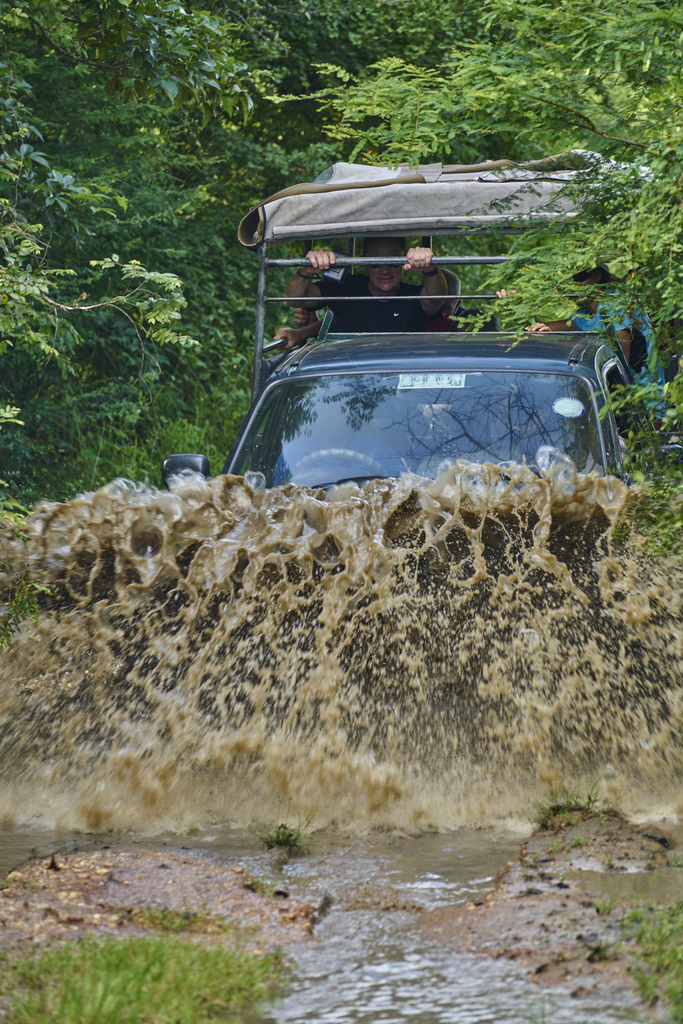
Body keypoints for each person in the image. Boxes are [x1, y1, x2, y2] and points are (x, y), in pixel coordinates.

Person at [507, 265, 664, 387]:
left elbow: (620, 362)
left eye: (578, 278)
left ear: (598, 275)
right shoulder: (584, 313)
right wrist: (517, 308)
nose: (572, 286)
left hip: (645, 400)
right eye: (566, 282)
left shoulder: (615, 302)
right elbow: (539, 329)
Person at [283, 237, 448, 335]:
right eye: (375, 263)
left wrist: (430, 268)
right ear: (364, 262)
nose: (384, 270)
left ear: (403, 261)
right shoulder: (345, 288)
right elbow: (293, 300)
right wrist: (307, 270)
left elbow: (435, 299)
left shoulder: (413, 296)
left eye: (392, 262)